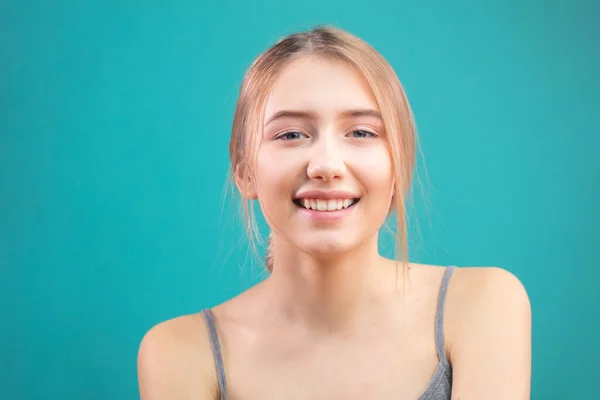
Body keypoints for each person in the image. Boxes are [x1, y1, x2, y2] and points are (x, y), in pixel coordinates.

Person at [137, 25, 532, 399]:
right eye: (291, 134)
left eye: (361, 132)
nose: (326, 164)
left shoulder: (482, 305)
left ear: (399, 167)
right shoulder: (182, 351)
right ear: (244, 171)